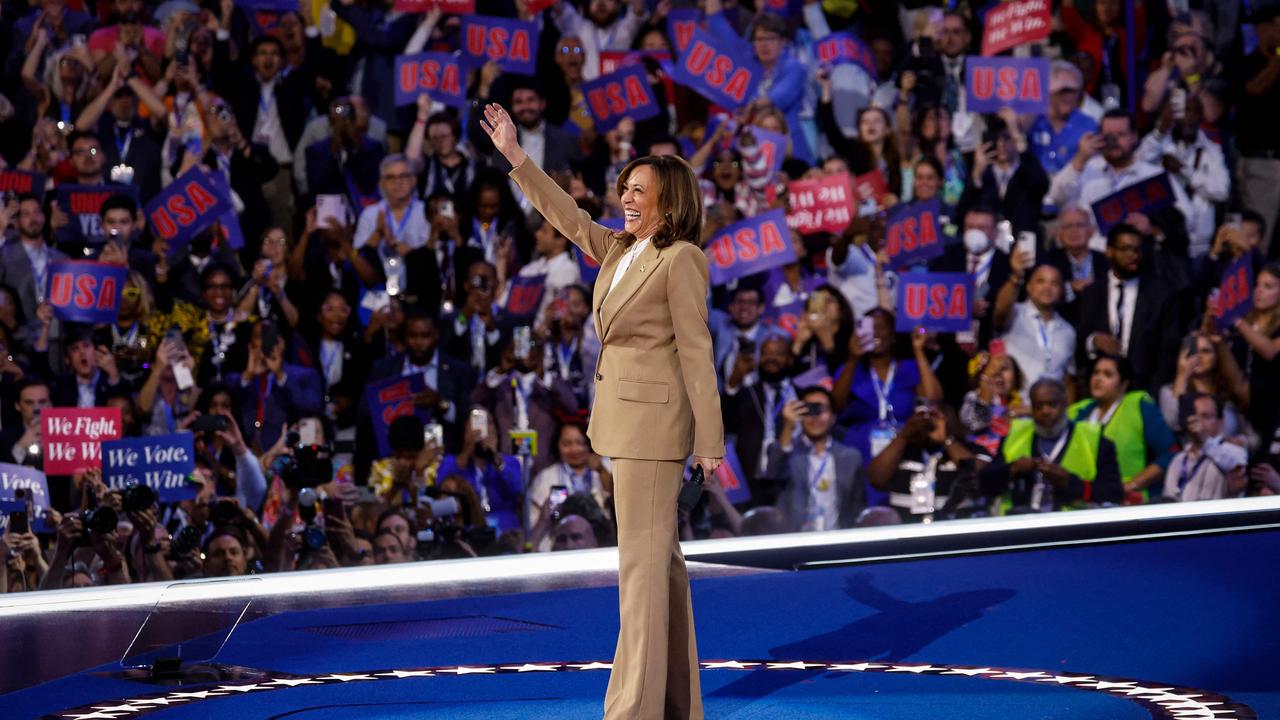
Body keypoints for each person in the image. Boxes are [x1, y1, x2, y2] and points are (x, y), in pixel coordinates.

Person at [483, 102, 723, 720]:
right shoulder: (621, 250)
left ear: (670, 202)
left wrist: (710, 444)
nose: (627, 198)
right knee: (659, 566)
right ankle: (676, 705)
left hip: (656, 429)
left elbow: (698, 353)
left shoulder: (681, 259)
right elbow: (568, 217)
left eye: (639, 191)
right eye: (625, 189)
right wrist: (516, 157)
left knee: (639, 573)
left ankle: (632, 711)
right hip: (626, 422)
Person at [980, 378, 1123, 513]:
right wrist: (1012, 469)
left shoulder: (1095, 439)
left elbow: (1114, 494)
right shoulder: (1014, 435)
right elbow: (983, 483)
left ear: (1065, 403)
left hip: (1073, 530)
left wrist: (1070, 483)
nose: (1045, 411)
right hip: (1021, 527)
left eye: (1052, 404)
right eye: (1038, 406)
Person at [1068, 354, 1176, 503]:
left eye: (1107, 374)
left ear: (1124, 383)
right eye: (1096, 372)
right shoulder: (1077, 412)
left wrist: (1129, 486)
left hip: (1128, 502)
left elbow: (1169, 454)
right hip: (1082, 501)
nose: (1098, 379)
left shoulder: (1139, 405)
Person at [766, 387, 865, 532]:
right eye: (809, 410)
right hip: (794, 542)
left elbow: (857, 508)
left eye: (821, 410)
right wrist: (788, 426)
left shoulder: (850, 457)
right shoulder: (787, 452)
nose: (815, 417)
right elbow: (774, 473)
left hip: (836, 541)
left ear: (833, 417)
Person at [866, 400, 980, 523]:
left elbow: (975, 474)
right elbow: (876, 479)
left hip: (952, 527)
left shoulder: (964, 448)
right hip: (904, 528)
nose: (928, 421)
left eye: (935, 416)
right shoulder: (902, 450)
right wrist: (903, 435)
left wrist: (946, 439)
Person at [1162, 393, 1248, 501]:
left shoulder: (1234, 451)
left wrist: (1204, 441)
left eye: (1205, 416)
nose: (1199, 422)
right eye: (1195, 416)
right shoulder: (1179, 459)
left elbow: (1236, 466)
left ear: (1220, 422)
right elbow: (1168, 499)